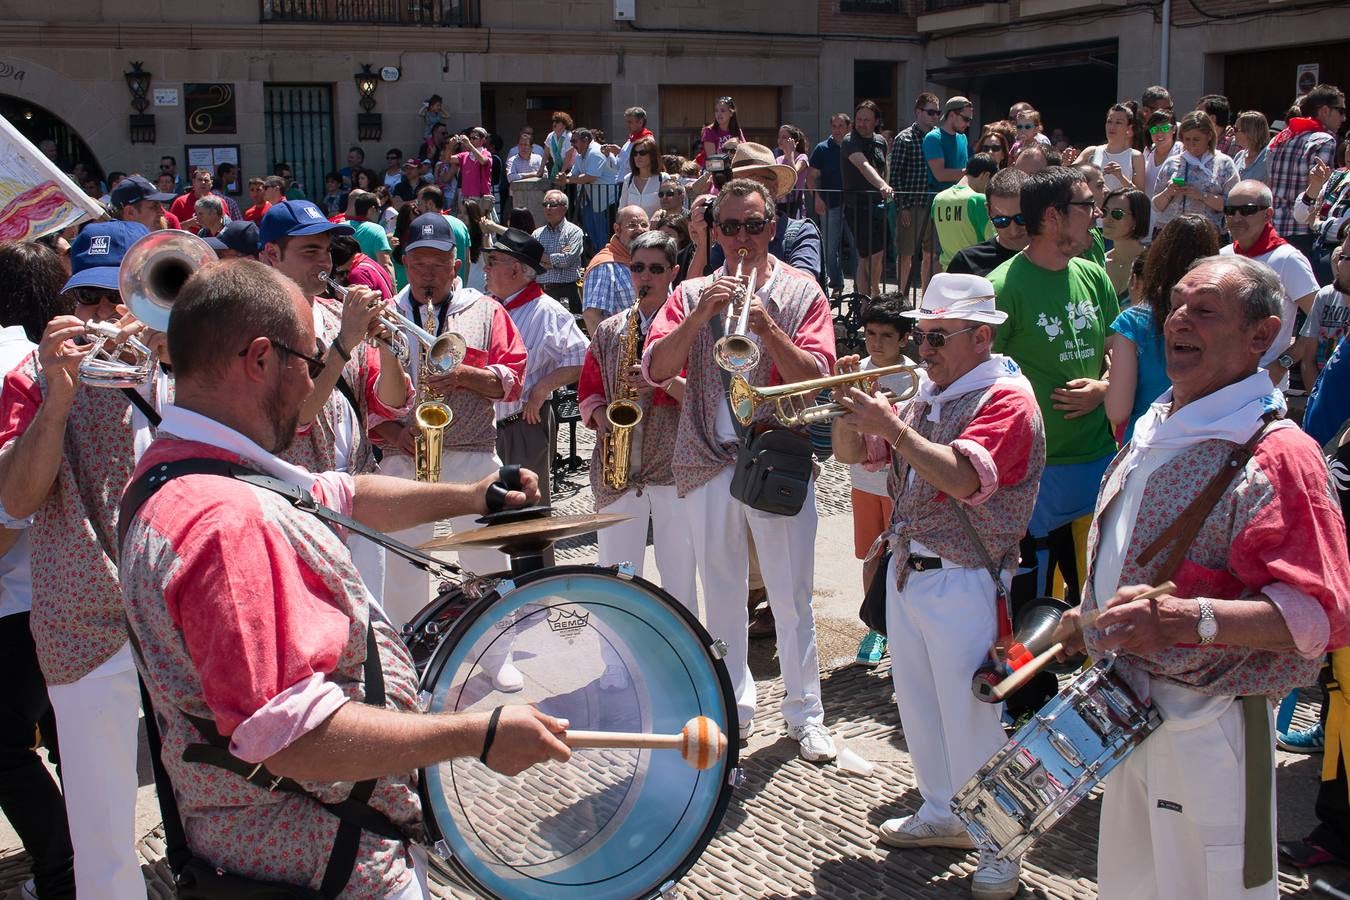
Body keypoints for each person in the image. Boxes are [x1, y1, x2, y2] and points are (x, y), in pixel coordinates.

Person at [118, 258, 565, 896]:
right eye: (310, 357)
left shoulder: (179, 463)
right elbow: (293, 736)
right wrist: (478, 734)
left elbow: (341, 493)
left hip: (286, 849)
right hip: (323, 863)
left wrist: (471, 495)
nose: (315, 381)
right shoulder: (227, 521)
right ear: (261, 360)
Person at [1052, 254, 1350, 899]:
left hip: (1212, 726)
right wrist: (1091, 621)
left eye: (1205, 309)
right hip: (1129, 710)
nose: (1179, 319)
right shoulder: (1161, 421)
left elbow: (1317, 617)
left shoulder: (1279, 453)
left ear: (1261, 335)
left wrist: (1187, 620)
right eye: (1177, 305)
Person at [833, 273, 1044, 900]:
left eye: (937, 337)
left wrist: (894, 427)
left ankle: (1001, 846)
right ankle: (942, 812)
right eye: (922, 336)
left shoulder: (1007, 399)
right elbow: (854, 454)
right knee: (920, 708)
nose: (923, 350)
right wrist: (849, 405)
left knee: (974, 721)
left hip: (967, 577)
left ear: (981, 337)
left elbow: (960, 477)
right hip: (910, 570)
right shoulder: (928, 390)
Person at [0, 222, 171, 900]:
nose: (101, 317)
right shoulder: (33, 377)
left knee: (198, 791)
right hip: (82, 616)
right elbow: (16, 501)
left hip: (170, 606)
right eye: (86, 299)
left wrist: (169, 359)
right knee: (100, 819)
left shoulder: (178, 367)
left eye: (116, 298)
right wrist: (59, 391)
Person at [644, 178, 838, 762]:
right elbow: (655, 368)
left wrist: (769, 329)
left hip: (776, 452)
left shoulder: (802, 289)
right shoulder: (691, 292)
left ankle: (806, 714)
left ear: (772, 227)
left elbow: (819, 372)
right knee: (721, 593)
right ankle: (734, 704)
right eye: (729, 228)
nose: (742, 240)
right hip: (707, 458)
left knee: (790, 594)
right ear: (713, 231)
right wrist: (698, 313)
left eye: (753, 226)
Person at [374, 214, 527, 628]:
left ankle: (496, 652)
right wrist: (392, 430)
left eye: (437, 264)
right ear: (405, 262)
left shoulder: (486, 310)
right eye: (418, 264)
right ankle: (405, 649)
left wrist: (464, 376)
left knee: (486, 554)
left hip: (471, 453)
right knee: (402, 559)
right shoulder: (385, 315)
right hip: (404, 454)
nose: (427, 274)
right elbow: (363, 387)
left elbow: (513, 379)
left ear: (455, 265)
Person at [989, 167, 1118, 609]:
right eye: (1085, 206)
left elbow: (1118, 356)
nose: (1096, 214)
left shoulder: (1094, 276)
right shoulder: (1002, 288)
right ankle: (1028, 677)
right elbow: (982, 383)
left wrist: (1104, 388)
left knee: (1095, 585)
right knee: (1033, 595)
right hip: (1035, 470)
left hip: (1098, 457)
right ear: (1052, 216)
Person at [0, 241, 77, 900]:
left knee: (4, 748)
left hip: (17, 595)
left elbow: (11, 503)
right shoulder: (45, 359)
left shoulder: (11, 365)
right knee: (62, 737)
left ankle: (63, 870)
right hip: (58, 588)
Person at [577, 230, 696, 612]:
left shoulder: (688, 330)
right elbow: (589, 391)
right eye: (638, 268)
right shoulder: (611, 329)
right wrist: (602, 417)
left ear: (673, 272)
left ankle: (683, 659)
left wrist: (657, 380)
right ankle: (616, 667)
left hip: (673, 468)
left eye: (656, 269)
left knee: (678, 575)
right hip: (618, 468)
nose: (645, 277)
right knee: (615, 575)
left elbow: (702, 397)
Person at [488, 229, 589, 519]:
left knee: (527, 517)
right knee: (489, 516)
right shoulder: (489, 304)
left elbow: (583, 358)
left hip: (522, 425)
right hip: (489, 427)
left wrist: (542, 389)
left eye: (494, 260)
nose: (486, 267)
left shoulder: (548, 311)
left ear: (516, 269)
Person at [841, 295, 915, 668]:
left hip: (903, 486)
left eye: (887, 335)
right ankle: (876, 627)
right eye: (870, 333)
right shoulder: (856, 370)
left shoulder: (917, 375)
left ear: (904, 338)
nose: (876, 342)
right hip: (866, 483)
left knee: (904, 558)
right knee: (871, 556)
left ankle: (904, 625)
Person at [1105, 214, 1220, 444]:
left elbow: (1117, 411)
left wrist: (1112, 377)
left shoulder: (1133, 322)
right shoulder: (1225, 320)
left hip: (1148, 443)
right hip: (1210, 443)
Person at [1219, 180, 1319, 389]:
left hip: (1265, 385)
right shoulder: (1223, 256)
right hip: (1220, 380)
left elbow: (1320, 317)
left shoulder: (1288, 259)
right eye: (1230, 210)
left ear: (1268, 214)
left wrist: (1284, 363)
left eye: (1247, 210)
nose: (1236, 218)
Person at [1268, 83, 1345, 267]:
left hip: (1275, 229)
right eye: (1340, 110)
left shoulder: (1282, 137)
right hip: (1304, 232)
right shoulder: (1324, 140)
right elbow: (1319, 191)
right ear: (1325, 111)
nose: (1344, 117)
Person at [1151, 110, 1239, 238]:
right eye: (1187, 139)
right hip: (1171, 236)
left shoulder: (1224, 163)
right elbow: (1156, 206)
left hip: (1208, 236)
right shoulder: (1172, 163)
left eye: (1196, 139)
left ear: (1209, 136)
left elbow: (1232, 204)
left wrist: (1201, 195)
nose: (1191, 144)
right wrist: (1168, 192)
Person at [891, 93, 943, 294]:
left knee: (932, 254)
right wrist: (902, 206)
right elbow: (895, 177)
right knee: (906, 254)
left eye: (937, 112)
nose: (934, 116)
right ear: (918, 112)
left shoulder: (938, 137)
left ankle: (928, 299)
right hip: (912, 204)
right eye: (930, 112)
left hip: (934, 204)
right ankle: (901, 297)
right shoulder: (904, 138)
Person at [948, 168, 1030, 277]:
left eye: (1021, 219)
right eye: (1002, 221)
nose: (1013, 230)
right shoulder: (967, 262)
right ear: (988, 211)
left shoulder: (1054, 256)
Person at [581, 205, 649, 335]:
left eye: (644, 225)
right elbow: (592, 316)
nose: (640, 229)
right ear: (617, 229)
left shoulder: (651, 261)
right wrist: (609, 352)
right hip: (621, 350)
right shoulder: (604, 266)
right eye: (632, 225)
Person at [810, 112, 856, 298]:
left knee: (856, 247)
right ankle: (836, 282)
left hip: (854, 204)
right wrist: (817, 198)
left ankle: (860, 288)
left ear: (848, 127)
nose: (837, 130)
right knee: (829, 249)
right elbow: (811, 177)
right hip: (830, 204)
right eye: (834, 126)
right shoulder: (822, 148)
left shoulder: (854, 146)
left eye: (840, 126)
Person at [560, 128, 622, 255]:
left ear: (586, 140)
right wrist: (565, 177)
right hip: (591, 200)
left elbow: (590, 177)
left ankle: (606, 257)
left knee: (604, 234)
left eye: (574, 141)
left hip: (606, 201)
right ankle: (597, 256)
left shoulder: (595, 152)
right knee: (593, 232)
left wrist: (567, 180)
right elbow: (574, 173)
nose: (572, 144)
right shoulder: (579, 155)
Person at [931, 152, 997, 271]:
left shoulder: (938, 199)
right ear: (985, 175)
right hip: (975, 272)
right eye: (990, 183)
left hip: (947, 273)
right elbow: (994, 243)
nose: (989, 188)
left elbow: (937, 246)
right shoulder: (979, 200)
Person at [533, 189, 585, 311]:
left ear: (564, 208)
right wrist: (557, 259)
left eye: (553, 205)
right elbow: (531, 261)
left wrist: (542, 258)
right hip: (542, 291)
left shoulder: (574, 232)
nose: (548, 208)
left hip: (566, 291)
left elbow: (567, 260)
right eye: (545, 205)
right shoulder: (537, 234)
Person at [1076, 103, 1147, 193]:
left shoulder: (1135, 156)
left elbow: (1141, 195)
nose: (1112, 127)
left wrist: (1121, 177)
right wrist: (1066, 163)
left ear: (1128, 128)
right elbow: (1069, 176)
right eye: (1109, 121)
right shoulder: (1091, 152)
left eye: (1118, 122)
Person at [1102, 187, 1151, 298]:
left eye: (1117, 214)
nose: (1107, 218)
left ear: (1137, 219)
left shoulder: (1152, 265)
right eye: (1105, 212)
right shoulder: (1099, 264)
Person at [925, 97, 974, 196]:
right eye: (966, 119)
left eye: (970, 120)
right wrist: (973, 172)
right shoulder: (933, 138)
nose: (968, 124)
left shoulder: (963, 137)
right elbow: (940, 175)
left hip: (961, 198)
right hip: (940, 200)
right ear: (952, 115)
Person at [109, 174, 176, 231]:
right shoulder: (118, 245)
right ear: (130, 213)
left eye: (160, 205)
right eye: (154, 206)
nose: (162, 211)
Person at [618, 135, 663, 217]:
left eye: (642, 153)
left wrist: (659, 213)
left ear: (652, 156)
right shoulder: (628, 179)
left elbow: (671, 208)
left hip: (656, 228)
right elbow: (622, 209)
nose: (638, 157)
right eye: (635, 153)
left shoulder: (663, 179)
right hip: (633, 228)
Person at [1143, 109, 1180, 199]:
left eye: (1165, 128)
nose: (1159, 133)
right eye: (1154, 129)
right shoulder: (1148, 150)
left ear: (1174, 129)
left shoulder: (1180, 150)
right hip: (1148, 209)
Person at [701, 96, 745, 162]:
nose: (719, 114)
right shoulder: (709, 131)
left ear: (731, 113)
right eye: (716, 111)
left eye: (722, 111)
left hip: (735, 167)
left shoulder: (737, 130)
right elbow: (712, 160)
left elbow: (745, 151)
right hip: (715, 169)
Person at [1232, 110, 1272, 184]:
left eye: (1236, 129)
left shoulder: (1268, 158)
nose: (1233, 132)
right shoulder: (1239, 155)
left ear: (1250, 132)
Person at [545, 111, 574, 182]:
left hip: (569, 170)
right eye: (554, 121)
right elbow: (545, 154)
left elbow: (568, 157)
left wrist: (562, 173)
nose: (554, 124)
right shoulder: (550, 136)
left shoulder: (569, 136)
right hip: (556, 168)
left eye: (557, 122)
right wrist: (540, 169)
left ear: (564, 125)